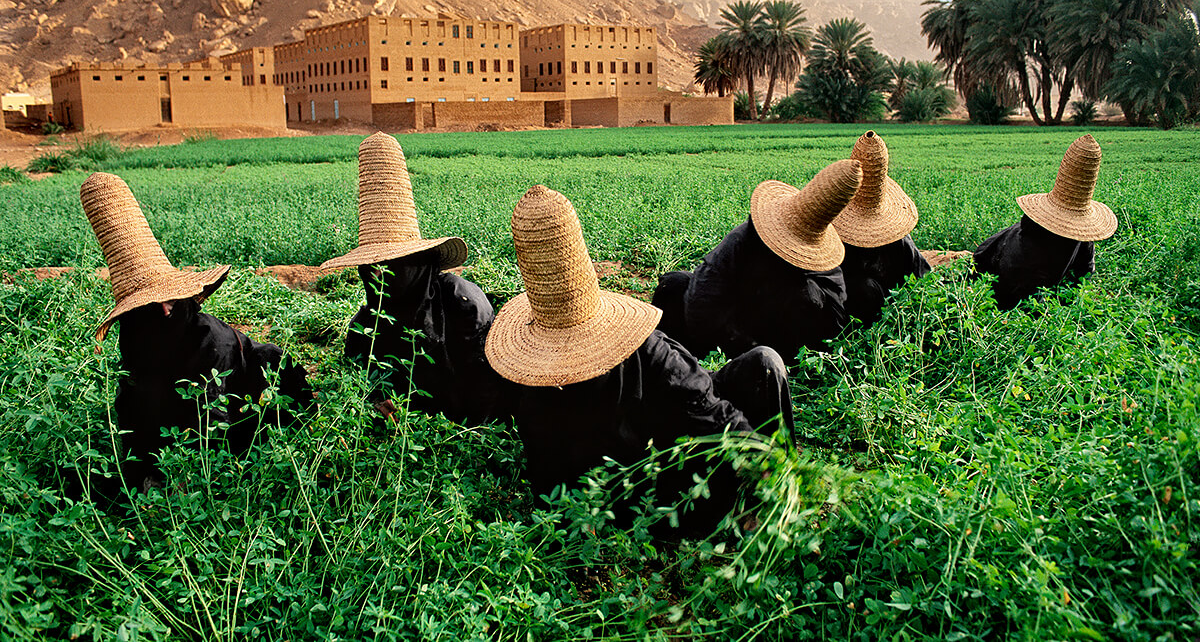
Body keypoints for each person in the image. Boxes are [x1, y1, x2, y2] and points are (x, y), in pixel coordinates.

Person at [485, 185, 794, 538]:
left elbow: (709, 410)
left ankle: (762, 505)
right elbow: (554, 494)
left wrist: (765, 469)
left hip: (661, 471)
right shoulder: (536, 398)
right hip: (659, 502)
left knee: (762, 367)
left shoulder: (651, 353)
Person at [81, 172, 310, 492]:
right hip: (184, 420)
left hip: (248, 410)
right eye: (150, 306)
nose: (163, 310)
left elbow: (211, 421)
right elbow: (133, 416)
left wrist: (188, 485)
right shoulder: (135, 341)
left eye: (170, 301)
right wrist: (141, 479)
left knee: (270, 366)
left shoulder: (211, 341)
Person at [321, 132, 511, 425]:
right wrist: (376, 407)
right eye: (373, 265)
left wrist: (459, 440)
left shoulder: (462, 304)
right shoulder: (365, 328)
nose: (381, 274)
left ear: (421, 262)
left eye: (395, 263)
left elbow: (491, 392)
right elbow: (364, 390)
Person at [653, 160, 862, 363]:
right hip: (729, 328)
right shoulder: (745, 238)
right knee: (674, 284)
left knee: (804, 297)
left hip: (778, 349)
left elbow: (831, 329)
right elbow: (703, 296)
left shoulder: (819, 277)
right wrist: (721, 353)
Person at [974, 134, 1118, 310]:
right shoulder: (1026, 243)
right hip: (996, 278)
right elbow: (1014, 294)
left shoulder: (1082, 238)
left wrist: (1072, 305)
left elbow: (1084, 272)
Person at [831, 131, 930, 327]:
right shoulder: (832, 236)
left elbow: (924, 281)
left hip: (887, 320)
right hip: (841, 321)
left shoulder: (900, 243)